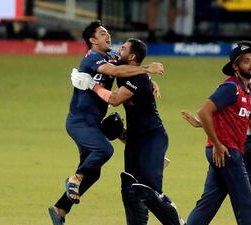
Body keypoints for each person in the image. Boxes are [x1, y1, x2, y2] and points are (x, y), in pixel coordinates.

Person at [47, 21, 165, 225]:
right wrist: (147, 69)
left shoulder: (110, 57)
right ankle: (75, 178)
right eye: (103, 34)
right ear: (92, 40)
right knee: (104, 151)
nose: (108, 36)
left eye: (108, 33)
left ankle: (60, 209)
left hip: (93, 123)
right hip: (79, 122)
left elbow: (127, 67)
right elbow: (117, 72)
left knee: (93, 173)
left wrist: (146, 79)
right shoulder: (93, 58)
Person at [70, 38, 184, 225]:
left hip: (152, 138)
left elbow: (114, 99)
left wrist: (92, 85)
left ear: (131, 56)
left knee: (148, 190)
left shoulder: (138, 78)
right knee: (129, 187)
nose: (118, 50)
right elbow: (112, 68)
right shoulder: (124, 67)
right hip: (135, 139)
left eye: (123, 48)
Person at [183, 41, 251, 225]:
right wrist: (217, 144)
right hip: (227, 152)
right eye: (247, 61)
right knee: (247, 205)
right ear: (235, 66)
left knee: (208, 203)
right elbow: (205, 111)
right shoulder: (230, 88)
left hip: (225, 152)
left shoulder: (248, 93)